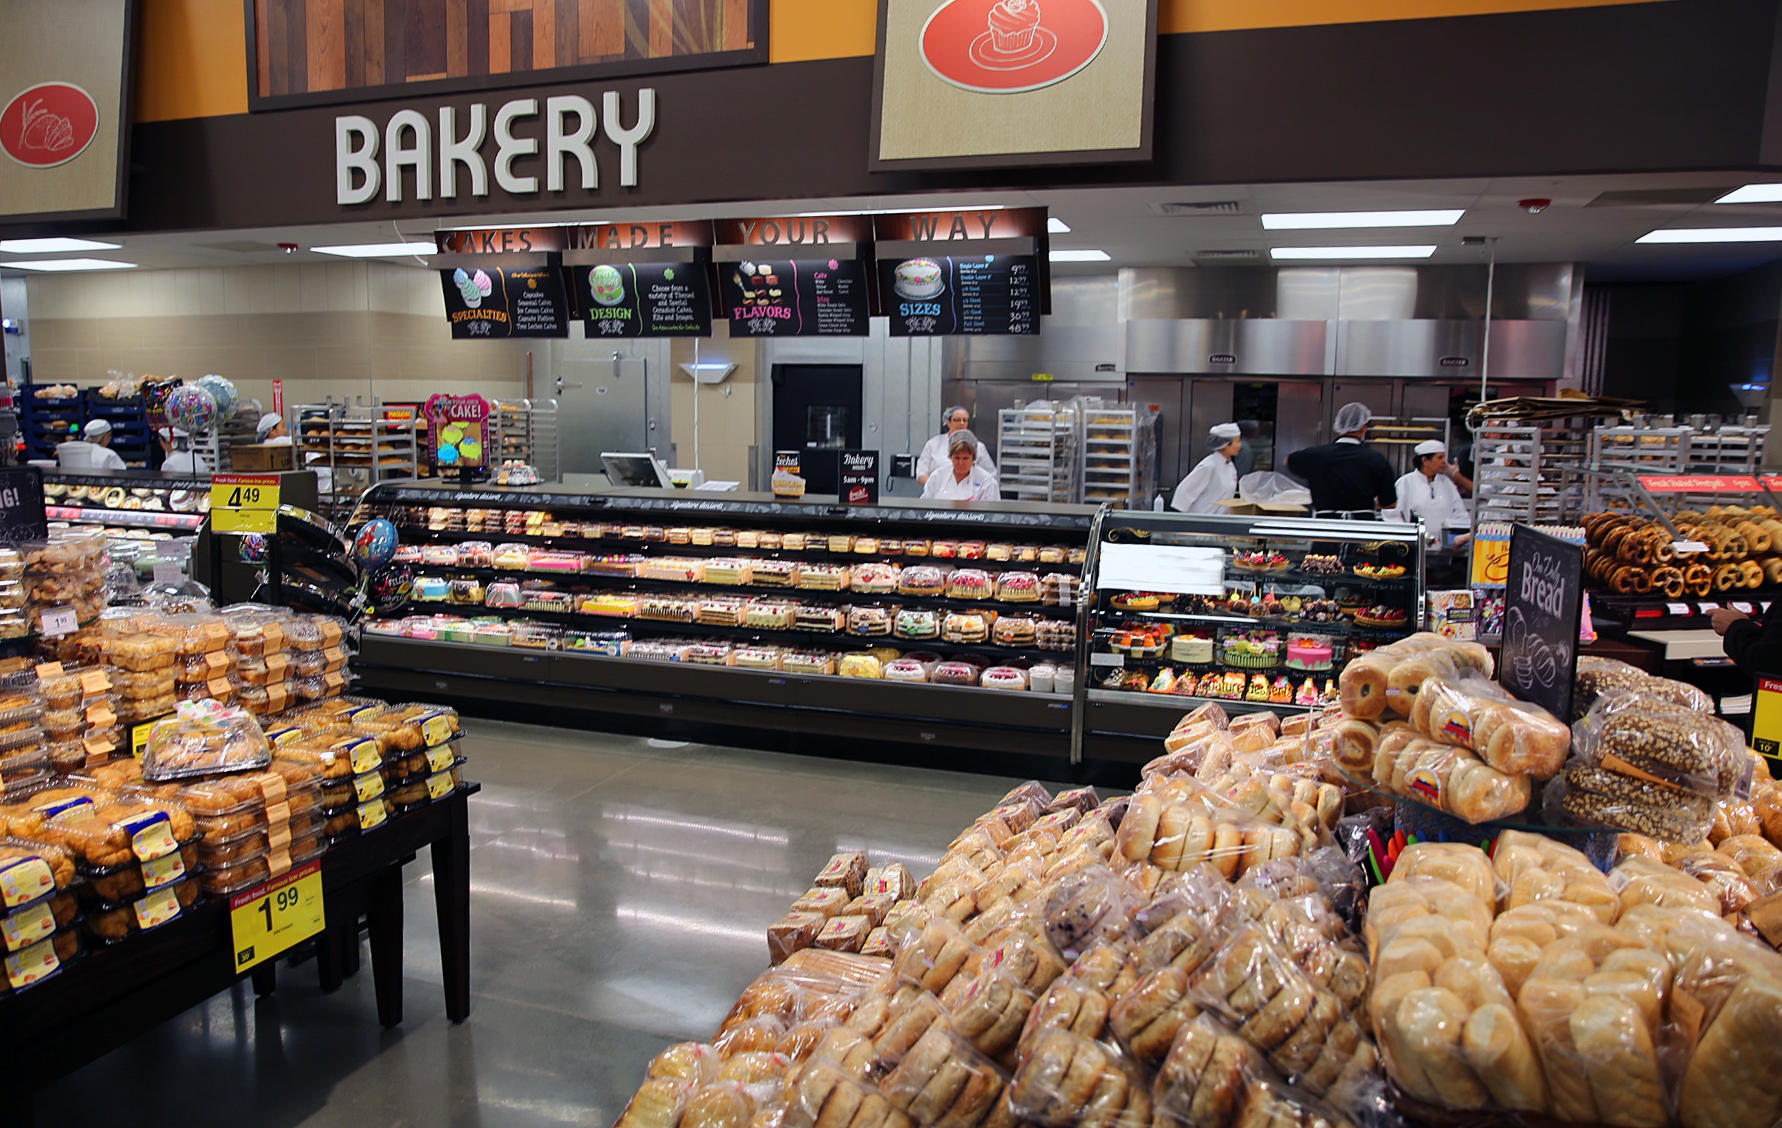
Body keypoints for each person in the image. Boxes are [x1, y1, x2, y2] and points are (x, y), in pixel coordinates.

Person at [1285, 402, 1399, 517]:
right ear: (1364, 426)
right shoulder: (1377, 459)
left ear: (1339, 425)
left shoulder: (1314, 455)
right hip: (1362, 527)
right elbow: (1389, 504)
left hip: (1325, 525)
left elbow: (1289, 461)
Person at [1390, 439, 1472, 546]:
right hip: (1414, 546)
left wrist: (1456, 537)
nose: (1444, 462)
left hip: (1445, 548)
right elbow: (1394, 517)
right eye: (1439, 457)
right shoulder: (1405, 483)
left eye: (1444, 457)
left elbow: (1460, 514)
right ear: (1425, 460)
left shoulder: (1446, 483)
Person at [1171, 423, 1242, 514]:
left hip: (1219, 521)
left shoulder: (1230, 466)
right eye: (1237, 441)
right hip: (1202, 521)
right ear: (1226, 444)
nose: (1239, 445)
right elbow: (1184, 492)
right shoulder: (1209, 465)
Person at [916, 406, 996, 486]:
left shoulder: (978, 447)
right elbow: (921, 473)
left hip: (969, 494)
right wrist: (936, 488)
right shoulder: (933, 444)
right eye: (957, 420)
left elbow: (991, 475)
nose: (961, 423)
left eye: (964, 420)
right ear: (948, 422)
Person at [920, 430, 999, 501]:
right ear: (950, 457)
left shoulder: (987, 483)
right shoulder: (937, 476)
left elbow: (991, 514)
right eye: (957, 458)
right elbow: (925, 505)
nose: (961, 463)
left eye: (965, 458)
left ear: (973, 458)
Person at [57, 418, 127, 471]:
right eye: (109, 435)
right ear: (104, 436)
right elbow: (123, 477)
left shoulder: (74, 452)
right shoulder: (109, 454)